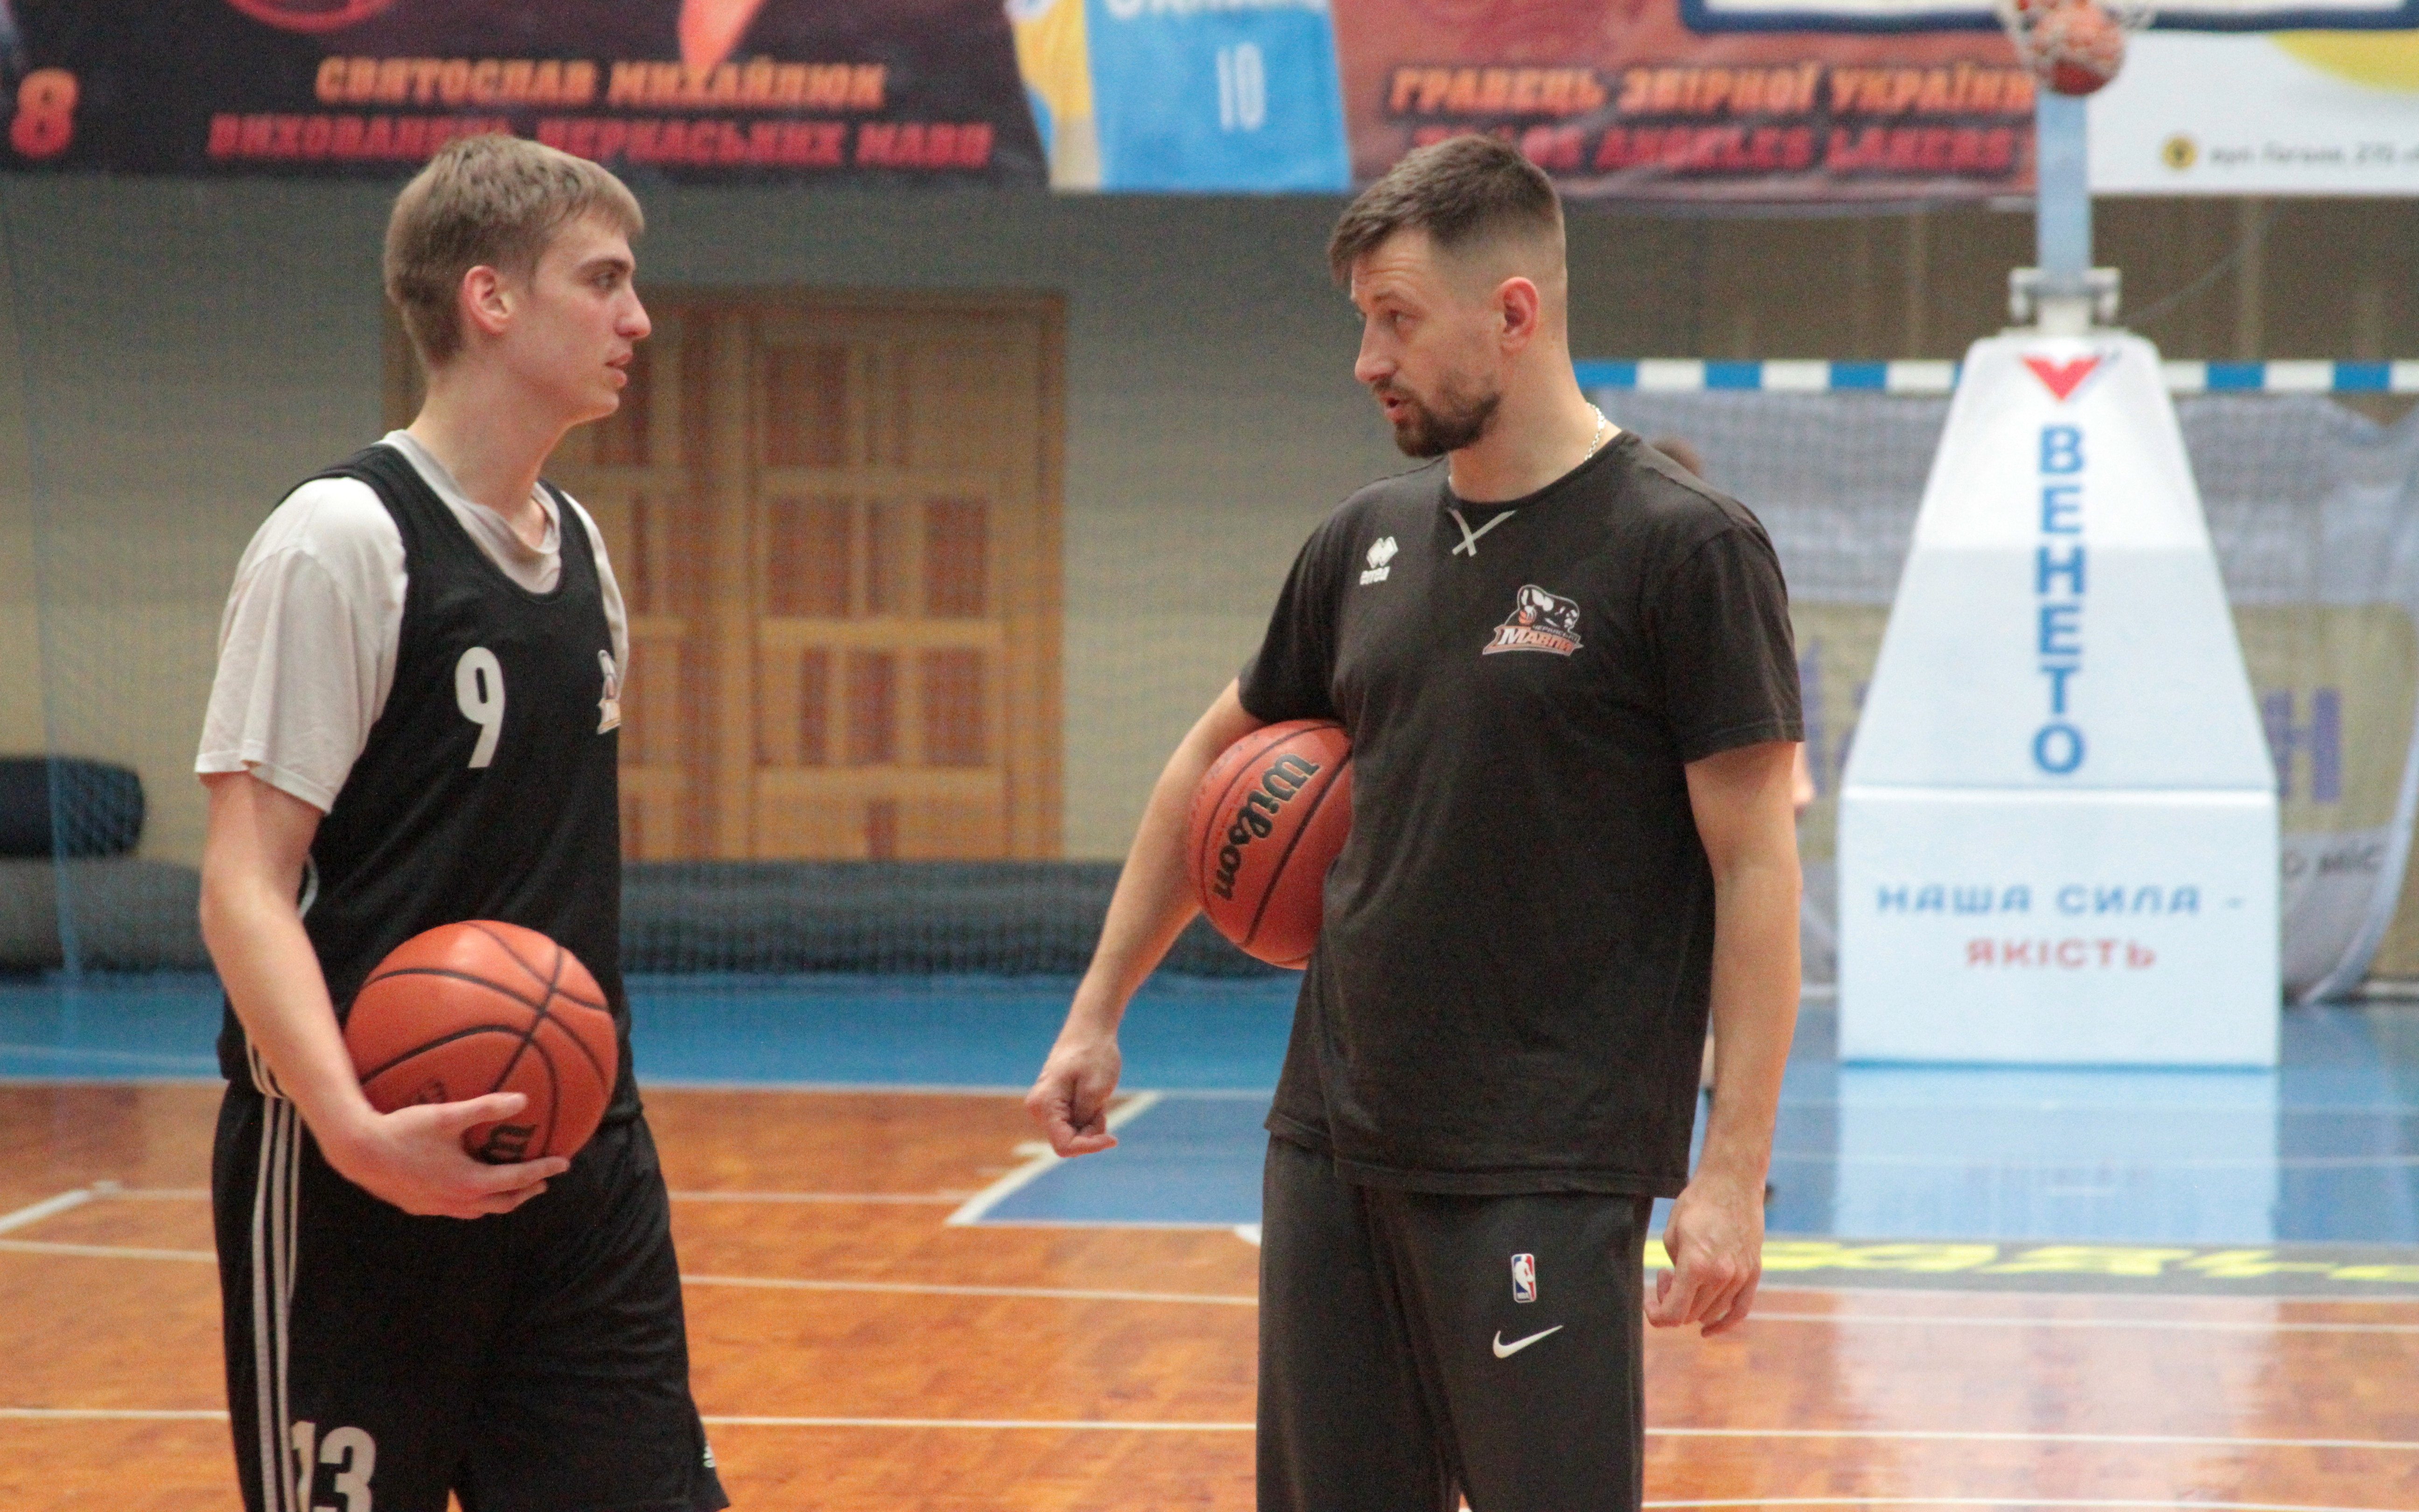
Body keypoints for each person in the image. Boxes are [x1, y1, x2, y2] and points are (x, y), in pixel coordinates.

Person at [1027, 134, 1804, 1512]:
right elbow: (1207, 763)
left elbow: (1756, 869)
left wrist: (1732, 1175)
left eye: (1396, 320)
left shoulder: (1686, 546)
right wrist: (1098, 1009)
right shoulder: (1361, 541)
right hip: (1332, 1142)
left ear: (1514, 313)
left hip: (1543, 1161)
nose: (1366, 360)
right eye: (1362, 321)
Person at [195, 134, 727, 1512]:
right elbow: (244, 884)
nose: (637, 318)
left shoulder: (582, 551)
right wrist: (352, 1130)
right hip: (357, 1166)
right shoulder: (341, 539)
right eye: (602, 280)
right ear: (490, 298)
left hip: (578, 1154)